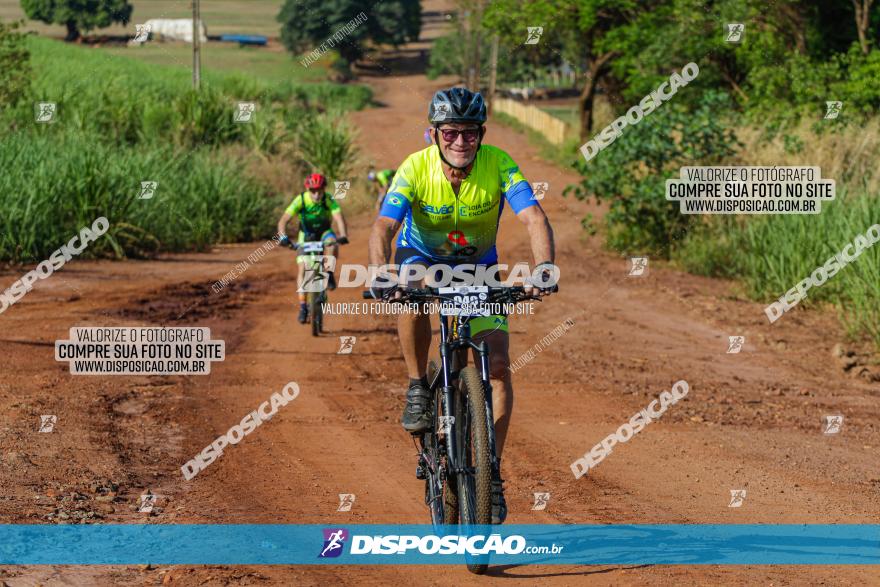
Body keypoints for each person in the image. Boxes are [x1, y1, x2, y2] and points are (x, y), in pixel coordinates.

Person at [367, 87, 556, 524]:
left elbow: (533, 218)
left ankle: (491, 474)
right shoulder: (415, 167)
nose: (460, 142)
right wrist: (380, 272)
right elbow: (382, 226)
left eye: (469, 133)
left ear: (481, 134)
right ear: (433, 134)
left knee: (501, 368)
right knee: (409, 290)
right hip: (422, 258)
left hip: (477, 267)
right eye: (450, 132)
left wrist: (544, 267)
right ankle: (418, 385)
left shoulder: (500, 164)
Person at [278, 173, 349, 324]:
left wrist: (343, 235)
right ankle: (303, 306)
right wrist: (283, 237)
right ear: (308, 190)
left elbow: (338, 217)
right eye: (313, 191)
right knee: (303, 270)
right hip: (306, 234)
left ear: (324, 189)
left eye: (319, 191)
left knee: (332, 242)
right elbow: (284, 220)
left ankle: (329, 273)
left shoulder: (328, 199)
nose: (316, 195)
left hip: (324, 232)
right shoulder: (301, 199)